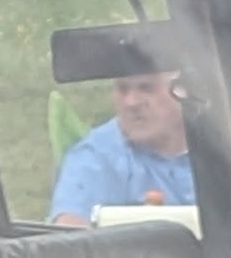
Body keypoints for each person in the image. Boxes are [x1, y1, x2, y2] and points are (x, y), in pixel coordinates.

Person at [49, 69, 193, 225]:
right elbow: (70, 236)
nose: (131, 102)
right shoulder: (95, 158)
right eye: (122, 89)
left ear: (184, 91)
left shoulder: (218, 141)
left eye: (146, 88)